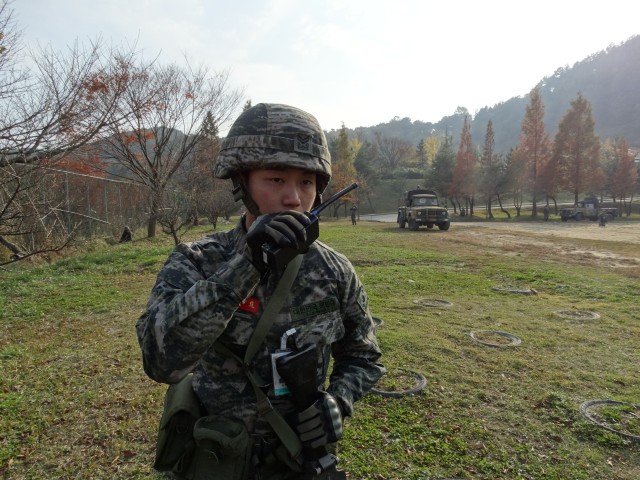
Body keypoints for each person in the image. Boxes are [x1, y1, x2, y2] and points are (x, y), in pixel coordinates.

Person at [136, 103, 384, 479]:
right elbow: (161, 361)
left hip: (299, 461)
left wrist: (340, 398)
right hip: (216, 460)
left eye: (307, 182)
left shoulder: (334, 270)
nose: (294, 199)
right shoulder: (198, 261)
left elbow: (364, 355)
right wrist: (246, 266)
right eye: (276, 179)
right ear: (242, 183)